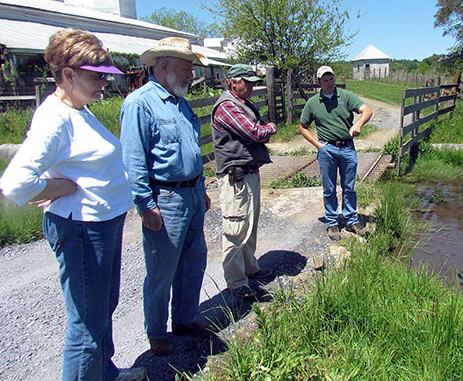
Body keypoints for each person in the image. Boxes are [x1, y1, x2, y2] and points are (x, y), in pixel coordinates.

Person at [0, 29, 145, 381]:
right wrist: (60, 186)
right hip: (82, 229)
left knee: (102, 308)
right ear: (69, 74)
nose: (104, 85)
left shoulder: (79, 110)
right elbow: (14, 183)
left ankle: (104, 372)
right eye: (97, 77)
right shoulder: (55, 119)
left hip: (102, 223)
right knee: (86, 324)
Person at [119, 37, 212, 356]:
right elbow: (133, 159)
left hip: (193, 194)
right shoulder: (139, 104)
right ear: (164, 66)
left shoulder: (182, 103)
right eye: (187, 69)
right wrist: (146, 205)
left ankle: (185, 319)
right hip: (165, 198)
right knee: (162, 270)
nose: (191, 75)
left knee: (194, 260)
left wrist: (202, 189)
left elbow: (192, 151)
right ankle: (156, 331)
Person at [211, 64, 277, 298]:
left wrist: (263, 128)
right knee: (236, 228)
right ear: (233, 82)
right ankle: (237, 282)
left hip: (247, 172)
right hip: (235, 176)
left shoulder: (241, 104)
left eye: (252, 82)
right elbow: (254, 132)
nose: (250, 87)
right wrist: (270, 126)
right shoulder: (228, 106)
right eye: (246, 82)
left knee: (250, 223)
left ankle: (250, 268)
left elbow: (254, 130)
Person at [299, 65, 373, 241]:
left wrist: (358, 124)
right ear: (319, 82)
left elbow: (367, 111)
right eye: (325, 80)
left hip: (347, 147)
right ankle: (332, 222)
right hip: (327, 149)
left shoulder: (345, 96)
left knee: (349, 186)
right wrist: (318, 145)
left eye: (331, 78)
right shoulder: (313, 103)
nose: (329, 82)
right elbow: (303, 127)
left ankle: (351, 219)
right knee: (329, 187)